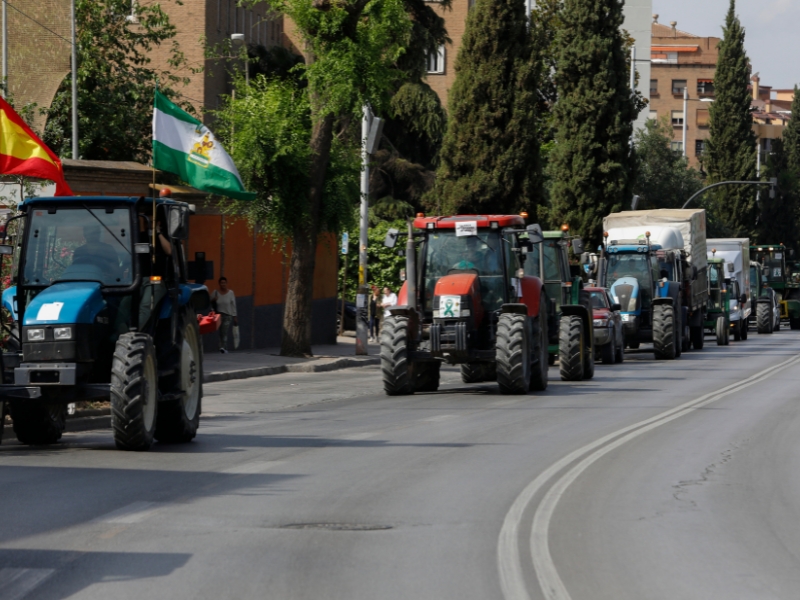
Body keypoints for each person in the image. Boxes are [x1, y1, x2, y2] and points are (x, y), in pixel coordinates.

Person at [211, 276, 238, 353]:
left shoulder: (230, 293)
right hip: (218, 315)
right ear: (219, 284)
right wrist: (214, 299)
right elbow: (209, 302)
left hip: (227, 315)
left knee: (224, 331)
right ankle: (222, 347)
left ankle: (223, 347)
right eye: (221, 283)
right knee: (221, 332)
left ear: (226, 283)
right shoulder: (215, 292)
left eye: (224, 283)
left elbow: (233, 305)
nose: (223, 284)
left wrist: (235, 316)